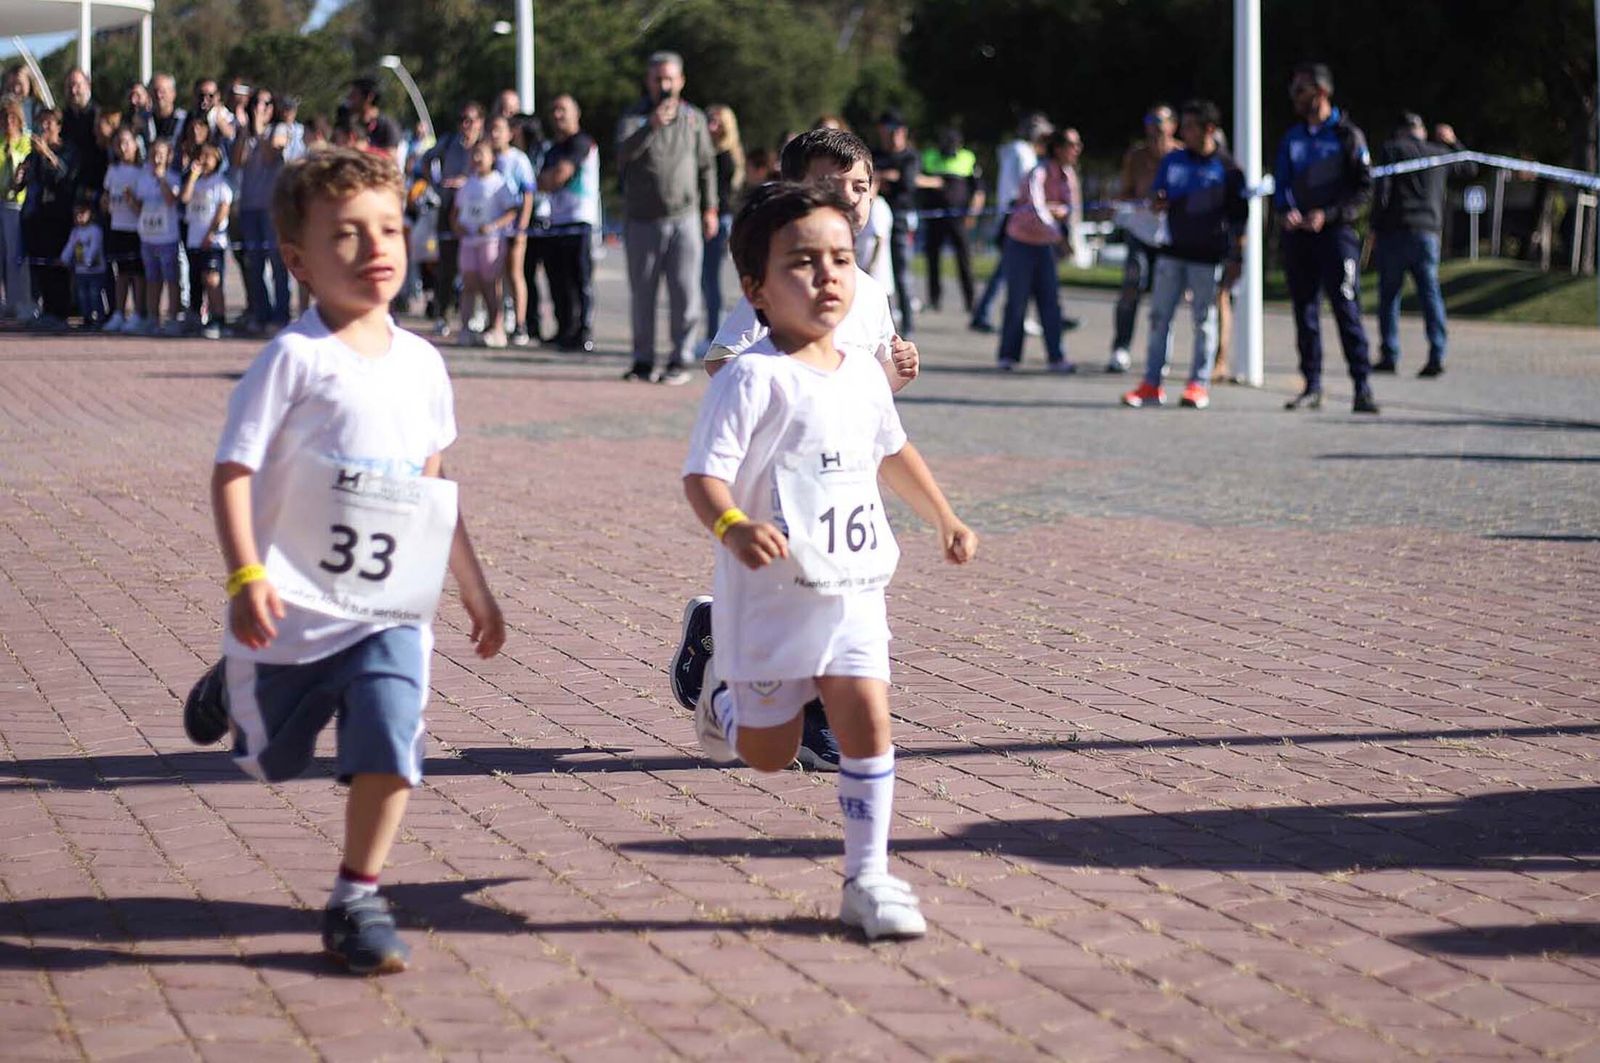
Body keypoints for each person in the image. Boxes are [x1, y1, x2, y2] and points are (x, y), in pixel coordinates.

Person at [182, 147, 505, 974]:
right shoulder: (293, 360)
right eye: (348, 236)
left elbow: (433, 490)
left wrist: (473, 587)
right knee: (273, 759)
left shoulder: (426, 363)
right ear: (299, 260)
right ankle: (233, 680)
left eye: (389, 229)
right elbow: (232, 471)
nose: (376, 249)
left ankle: (357, 894)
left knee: (392, 738)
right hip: (290, 607)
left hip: (389, 608)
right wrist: (246, 575)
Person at [683, 181, 977, 940]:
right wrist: (734, 525)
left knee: (867, 718)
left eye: (840, 259)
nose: (827, 277)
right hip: (771, 599)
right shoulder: (751, 377)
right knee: (771, 753)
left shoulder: (862, 373)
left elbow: (893, 448)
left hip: (852, 590)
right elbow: (703, 474)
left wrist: (944, 516)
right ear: (756, 288)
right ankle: (714, 689)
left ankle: (868, 877)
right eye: (802, 263)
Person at [674, 128, 921, 774]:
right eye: (829, 187)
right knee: (778, 702)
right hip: (779, 506)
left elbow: (868, 390)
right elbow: (722, 358)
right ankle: (725, 658)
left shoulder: (866, 290)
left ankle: (834, 746)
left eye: (860, 187)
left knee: (843, 640)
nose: (848, 198)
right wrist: (767, 379)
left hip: (846, 501)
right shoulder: (780, 287)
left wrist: (897, 368)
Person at [1119, 100, 1246, 411]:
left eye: (1190, 126)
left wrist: (1236, 256)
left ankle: (1197, 384)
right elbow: (1156, 196)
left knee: (1204, 320)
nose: (1183, 132)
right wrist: (1157, 201)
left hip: (1207, 256)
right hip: (1171, 251)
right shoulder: (1173, 161)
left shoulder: (1228, 169)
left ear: (1209, 130)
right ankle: (1152, 383)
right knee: (1159, 317)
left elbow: (1239, 218)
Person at [1274, 62, 1379, 414]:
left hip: (1337, 237)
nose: (1294, 96)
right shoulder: (1292, 138)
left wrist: (1330, 215)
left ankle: (1362, 386)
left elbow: (1364, 190)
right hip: (1299, 239)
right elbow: (1281, 185)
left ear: (1320, 92)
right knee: (1305, 313)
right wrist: (1286, 212)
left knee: (1346, 309)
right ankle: (1312, 385)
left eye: (1300, 89)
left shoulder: (1348, 135)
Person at [615, 51, 717, 385]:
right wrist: (650, 126)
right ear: (648, 82)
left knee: (685, 293)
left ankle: (680, 358)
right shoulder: (633, 118)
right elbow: (622, 155)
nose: (664, 85)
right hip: (643, 220)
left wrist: (710, 208)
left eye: (670, 78)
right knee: (643, 294)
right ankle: (643, 360)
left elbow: (706, 166)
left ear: (681, 81)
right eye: (658, 79)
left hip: (684, 219)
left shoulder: (694, 119)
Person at [1372, 114, 1473, 378]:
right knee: (1430, 296)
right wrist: (1453, 142)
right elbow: (1469, 169)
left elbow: (1383, 190)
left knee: (1389, 296)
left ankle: (1390, 354)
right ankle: (1437, 353)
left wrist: (1375, 226)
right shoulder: (1438, 153)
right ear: (1422, 131)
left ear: (1402, 131)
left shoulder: (1393, 150)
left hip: (1395, 232)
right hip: (1427, 233)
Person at [997, 129, 1078, 371]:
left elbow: (1070, 208)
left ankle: (1056, 356)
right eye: (1072, 144)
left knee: (1050, 301)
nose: (1077, 149)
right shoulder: (1038, 172)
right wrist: (1058, 232)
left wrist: (1063, 227)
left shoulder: (1068, 175)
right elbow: (1037, 207)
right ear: (1058, 148)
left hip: (1044, 246)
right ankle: (1009, 355)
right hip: (1020, 242)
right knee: (1017, 301)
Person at [1107, 105, 1180, 373]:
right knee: (1132, 284)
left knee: (1165, 296)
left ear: (1173, 125)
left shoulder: (1181, 155)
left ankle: (1159, 353)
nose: (1155, 127)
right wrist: (1138, 201)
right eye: (1151, 121)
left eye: (1161, 121)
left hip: (1169, 236)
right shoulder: (1136, 156)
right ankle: (1121, 347)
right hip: (1141, 232)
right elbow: (1124, 192)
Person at [538, 93, 599, 352]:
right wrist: (551, 178)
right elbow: (542, 182)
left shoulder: (581, 142)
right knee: (557, 280)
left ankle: (582, 331)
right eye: (554, 110)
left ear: (577, 113)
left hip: (580, 221)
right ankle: (564, 328)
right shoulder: (553, 148)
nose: (558, 115)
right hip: (557, 221)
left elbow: (560, 175)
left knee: (579, 279)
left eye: (563, 110)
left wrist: (553, 178)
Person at [421, 103, 485, 337]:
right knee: (446, 266)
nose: (465, 125)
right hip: (449, 207)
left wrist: (466, 182)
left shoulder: (484, 146)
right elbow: (426, 160)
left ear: (480, 122)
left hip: (476, 211)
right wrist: (437, 184)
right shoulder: (449, 142)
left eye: (470, 120)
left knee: (476, 266)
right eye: (462, 120)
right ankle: (443, 314)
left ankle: (477, 313)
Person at [234, 88, 292, 333]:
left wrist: (258, 128)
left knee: (277, 261)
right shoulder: (246, 132)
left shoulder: (280, 130)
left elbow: (270, 156)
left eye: (266, 103)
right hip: (249, 205)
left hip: (271, 207)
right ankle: (260, 313)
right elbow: (238, 160)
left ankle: (281, 315)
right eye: (256, 102)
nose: (261, 107)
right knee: (254, 263)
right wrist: (246, 132)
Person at [452, 138, 519, 348]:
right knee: (469, 284)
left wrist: (493, 226)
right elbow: (455, 213)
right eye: (474, 153)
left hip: (490, 241)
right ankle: (465, 328)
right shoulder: (467, 184)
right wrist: (458, 227)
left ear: (492, 158)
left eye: (482, 153)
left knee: (491, 284)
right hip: (469, 242)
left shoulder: (499, 183)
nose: (477, 158)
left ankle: (496, 328)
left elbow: (511, 211)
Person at [17, 108, 77, 329]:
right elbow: (22, 186)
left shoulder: (67, 150)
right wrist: (19, 177)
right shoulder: (33, 155)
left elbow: (65, 176)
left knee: (57, 265)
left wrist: (48, 155)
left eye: (50, 123)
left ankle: (60, 312)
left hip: (58, 216)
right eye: (42, 123)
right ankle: (45, 308)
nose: (45, 128)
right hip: (36, 217)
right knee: (39, 265)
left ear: (59, 126)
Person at [918, 126, 982, 316]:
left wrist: (973, 213)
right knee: (933, 259)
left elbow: (978, 190)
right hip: (934, 217)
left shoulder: (968, 158)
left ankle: (971, 301)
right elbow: (918, 179)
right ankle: (934, 299)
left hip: (958, 218)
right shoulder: (929, 156)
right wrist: (934, 183)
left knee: (964, 260)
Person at [487, 113, 537, 345]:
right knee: (494, 276)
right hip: (492, 228)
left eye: (499, 129)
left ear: (510, 133)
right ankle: (496, 322)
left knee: (515, 274)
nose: (494, 134)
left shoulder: (519, 160)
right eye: (492, 129)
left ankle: (520, 324)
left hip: (513, 226)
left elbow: (528, 193)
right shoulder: (488, 159)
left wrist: (521, 227)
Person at [872, 109, 920, 336]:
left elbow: (908, 185)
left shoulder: (910, 156)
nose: (890, 137)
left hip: (900, 219)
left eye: (894, 132)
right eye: (885, 132)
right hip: (876, 219)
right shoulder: (876, 154)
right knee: (876, 273)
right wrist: (888, 177)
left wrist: (887, 178)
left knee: (901, 274)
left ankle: (907, 326)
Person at [701, 104, 745, 344]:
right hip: (717, 217)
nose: (711, 126)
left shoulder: (723, 156)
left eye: (717, 122)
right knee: (706, 280)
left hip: (718, 218)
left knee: (711, 279)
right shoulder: (713, 153)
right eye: (709, 121)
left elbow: (723, 194)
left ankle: (714, 335)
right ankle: (713, 333)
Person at [182, 142, 232, 338]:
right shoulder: (195, 181)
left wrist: (210, 233)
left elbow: (223, 209)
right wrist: (193, 176)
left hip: (213, 241)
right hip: (194, 239)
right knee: (196, 280)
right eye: (201, 156)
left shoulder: (221, 183)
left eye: (208, 157)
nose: (204, 160)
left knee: (212, 280)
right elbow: (185, 198)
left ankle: (219, 319)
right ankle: (196, 316)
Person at [135, 137, 182, 335]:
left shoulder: (173, 177)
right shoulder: (143, 178)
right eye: (154, 154)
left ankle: (173, 317)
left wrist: (162, 178)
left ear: (168, 157)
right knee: (152, 279)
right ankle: (153, 317)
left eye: (161, 155)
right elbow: (139, 206)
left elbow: (171, 200)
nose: (156, 159)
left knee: (171, 279)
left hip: (168, 237)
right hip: (148, 237)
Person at [102, 125, 146, 332]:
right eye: (119, 143)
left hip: (135, 229)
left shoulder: (141, 172)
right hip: (117, 226)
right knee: (121, 272)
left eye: (127, 142)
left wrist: (131, 200)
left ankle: (138, 313)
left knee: (136, 273)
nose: (123, 147)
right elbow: (106, 197)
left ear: (136, 145)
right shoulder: (112, 170)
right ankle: (119, 312)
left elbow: (142, 208)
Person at [1, 94, 32, 319]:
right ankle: (6, 301)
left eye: (13, 117)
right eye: (4, 117)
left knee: (16, 256)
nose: (8, 122)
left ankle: (20, 301)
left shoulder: (26, 141)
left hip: (16, 205)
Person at [60, 198, 107, 327]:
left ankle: (99, 317)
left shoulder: (95, 230)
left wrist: (88, 260)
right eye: (76, 214)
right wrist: (64, 258)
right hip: (80, 271)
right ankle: (86, 317)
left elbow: (95, 247)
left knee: (95, 295)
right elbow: (70, 246)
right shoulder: (75, 232)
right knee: (82, 296)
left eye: (82, 213)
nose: (79, 216)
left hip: (95, 271)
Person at [344, 77, 403, 158]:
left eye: (354, 95)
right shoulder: (350, 124)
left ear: (369, 97)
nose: (349, 98)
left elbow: (391, 156)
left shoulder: (387, 125)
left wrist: (365, 150)